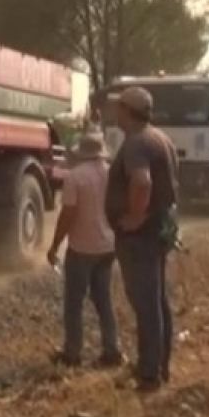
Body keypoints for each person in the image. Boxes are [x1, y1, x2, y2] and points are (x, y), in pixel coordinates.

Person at [106, 86, 180, 393]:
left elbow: (142, 182)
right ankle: (159, 365)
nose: (114, 112)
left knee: (146, 303)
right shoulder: (160, 137)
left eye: (118, 107)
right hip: (158, 231)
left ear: (126, 111)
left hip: (141, 237)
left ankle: (149, 373)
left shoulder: (137, 143)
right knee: (157, 301)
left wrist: (135, 217)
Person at [47, 133, 122, 368]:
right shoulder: (112, 174)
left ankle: (72, 353)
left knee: (74, 303)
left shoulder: (76, 177)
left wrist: (54, 246)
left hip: (82, 248)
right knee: (104, 301)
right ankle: (112, 350)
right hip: (108, 246)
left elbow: (67, 215)